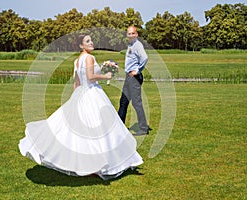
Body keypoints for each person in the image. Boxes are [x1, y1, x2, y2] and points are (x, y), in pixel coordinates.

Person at [18, 34, 143, 180]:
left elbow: (76, 83)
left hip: (81, 94)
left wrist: (75, 99)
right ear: (81, 46)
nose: (91, 42)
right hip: (92, 93)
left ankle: (90, 163)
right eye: (87, 41)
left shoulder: (77, 61)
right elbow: (90, 77)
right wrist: (106, 76)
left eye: (91, 40)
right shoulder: (89, 58)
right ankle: (104, 163)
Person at [118, 26, 152, 136]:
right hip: (129, 77)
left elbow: (145, 58)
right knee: (123, 102)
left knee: (136, 103)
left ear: (136, 34)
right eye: (129, 33)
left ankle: (143, 128)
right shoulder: (131, 45)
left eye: (133, 33)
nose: (131, 35)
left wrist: (137, 71)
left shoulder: (137, 45)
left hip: (134, 78)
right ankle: (120, 127)